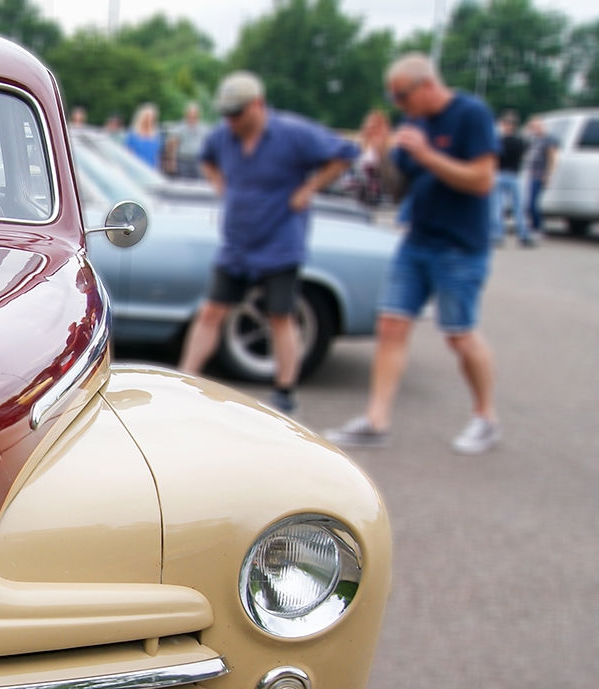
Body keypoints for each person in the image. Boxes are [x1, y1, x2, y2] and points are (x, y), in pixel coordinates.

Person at [326, 54, 500, 455]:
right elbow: (397, 188)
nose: (399, 104)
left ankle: (486, 417)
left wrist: (427, 156)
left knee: (459, 335)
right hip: (416, 240)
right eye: (393, 97)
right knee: (391, 325)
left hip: (459, 246)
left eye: (402, 95)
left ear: (426, 85)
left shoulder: (471, 115)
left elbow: (482, 179)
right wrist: (381, 151)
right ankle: (376, 420)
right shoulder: (414, 124)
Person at [177, 71, 356, 415]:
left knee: (280, 316)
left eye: (237, 113)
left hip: (279, 240)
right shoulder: (223, 137)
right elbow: (207, 158)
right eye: (226, 114)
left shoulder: (293, 134)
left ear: (257, 105)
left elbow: (344, 153)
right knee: (212, 310)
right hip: (237, 241)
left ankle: (285, 391)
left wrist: (309, 189)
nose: (231, 121)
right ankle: (187, 380)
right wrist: (220, 185)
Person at [491, 110, 530, 246]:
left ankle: (497, 236)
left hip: (499, 173)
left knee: (497, 207)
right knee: (518, 207)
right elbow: (525, 153)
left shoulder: (498, 141)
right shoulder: (521, 141)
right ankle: (523, 235)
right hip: (514, 174)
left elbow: (493, 158)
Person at [524, 116, 559, 238]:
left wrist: (548, 175)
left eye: (537, 126)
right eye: (533, 127)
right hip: (532, 174)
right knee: (530, 202)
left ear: (542, 126)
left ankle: (537, 228)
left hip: (540, 175)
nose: (535, 129)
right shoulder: (535, 139)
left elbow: (553, 158)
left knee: (533, 203)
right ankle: (534, 227)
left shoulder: (549, 139)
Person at [170, 102, 207, 179]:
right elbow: (173, 146)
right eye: (190, 114)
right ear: (186, 114)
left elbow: (206, 146)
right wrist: (173, 162)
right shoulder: (180, 127)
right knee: (184, 183)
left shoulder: (204, 128)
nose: (192, 116)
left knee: (199, 184)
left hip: (198, 161)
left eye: (194, 114)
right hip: (183, 160)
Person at [125, 103, 162, 169]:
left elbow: (156, 156)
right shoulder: (133, 134)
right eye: (147, 116)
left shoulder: (156, 134)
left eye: (152, 117)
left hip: (151, 169)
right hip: (136, 168)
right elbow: (127, 154)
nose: (150, 119)